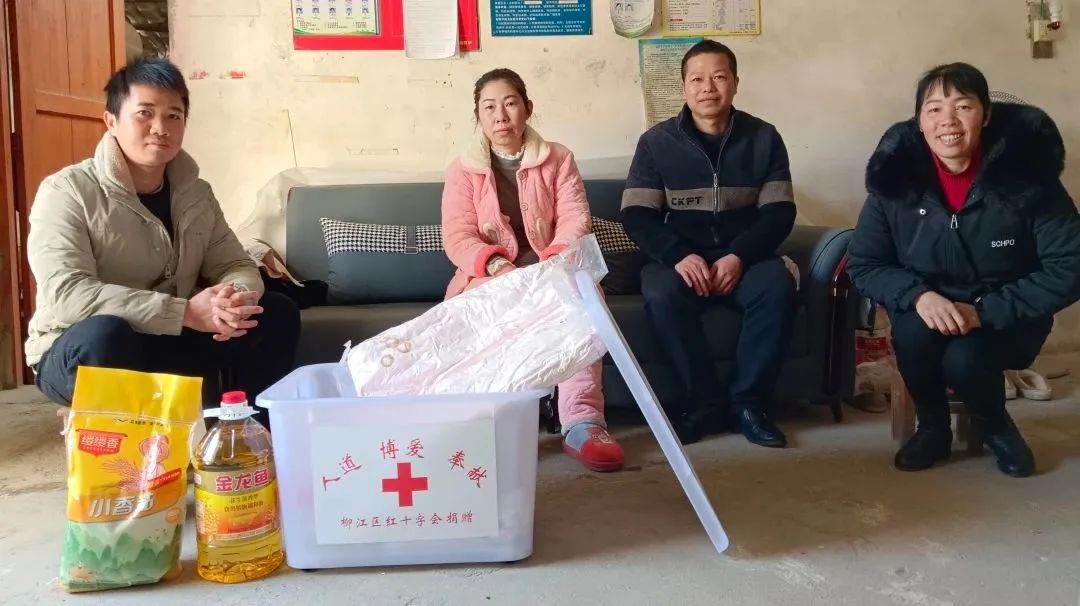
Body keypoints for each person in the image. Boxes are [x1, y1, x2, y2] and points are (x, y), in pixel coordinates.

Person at [26, 57, 301, 422]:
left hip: (172, 336)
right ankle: (116, 434)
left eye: (174, 116)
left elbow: (235, 263)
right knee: (106, 335)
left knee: (275, 312)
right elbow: (68, 294)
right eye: (145, 113)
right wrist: (183, 312)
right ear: (111, 121)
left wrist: (231, 300)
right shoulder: (67, 191)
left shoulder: (196, 194)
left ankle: (243, 434)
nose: (160, 128)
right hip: (81, 347)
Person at [848, 63, 1080, 477]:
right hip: (928, 306)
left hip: (1006, 312)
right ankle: (933, 428)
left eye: (963, 106)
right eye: (934, 109)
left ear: (985, 115)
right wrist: (919, 296)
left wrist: (983, 312)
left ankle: (997, 428)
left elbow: (1070, 266)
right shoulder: (895, 181)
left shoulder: (1028, 179)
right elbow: (866, 263)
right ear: (919, 121)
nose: (948, 121)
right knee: (914, 336)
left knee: (964, 358)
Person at [442, 68, 625, 472]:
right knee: (481, 312)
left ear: (527, 107)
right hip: (490, 273)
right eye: (489, 107)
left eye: (510, 103)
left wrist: (553, 262)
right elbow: (457, 235)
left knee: (583, 306)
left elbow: (575, 217)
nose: (501, 115)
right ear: (478, 115)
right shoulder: (462, 170)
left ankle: (582, 422)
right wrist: (496, 264)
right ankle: (490, 426)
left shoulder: (558, 158)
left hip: (553, 267)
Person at [621, 40, 797, 448]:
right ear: (683, 87)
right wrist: (679, 255)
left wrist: (739, 256)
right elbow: (637, 214)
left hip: (746, 256)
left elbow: (779, 212)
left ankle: (748, 404)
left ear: (735, 83)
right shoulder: (656, 143)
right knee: (661, 293)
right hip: (682, 258)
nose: (708, 88)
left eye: (719, 77)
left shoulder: (764, 138)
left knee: (776, 287)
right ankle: (704, 403)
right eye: (697, 79)